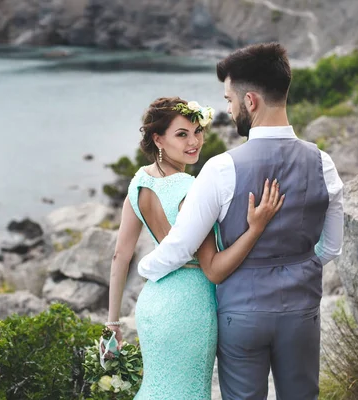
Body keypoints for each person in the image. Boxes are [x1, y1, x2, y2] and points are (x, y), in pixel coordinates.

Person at [137, 43, 344, 399]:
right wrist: (295, 270)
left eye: (230, 101)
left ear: (251, 101)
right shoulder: (322, 163)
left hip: (241, 316)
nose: (229, 111)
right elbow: (331, 247)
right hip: (301, 313)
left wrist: (145, 268)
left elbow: (181, 245)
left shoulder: (220, 169)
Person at [104, 96, 284, 399]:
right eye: (182, 134)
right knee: (188, 391)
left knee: (157, 387)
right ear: (158, 139)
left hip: (152, 303)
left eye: (197, 131)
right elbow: (213, 266)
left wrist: (112, 322)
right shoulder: (191, 189)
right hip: (189, 306)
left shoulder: (136, 183)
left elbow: (120, 256)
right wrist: (256, 229)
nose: (194, 142)